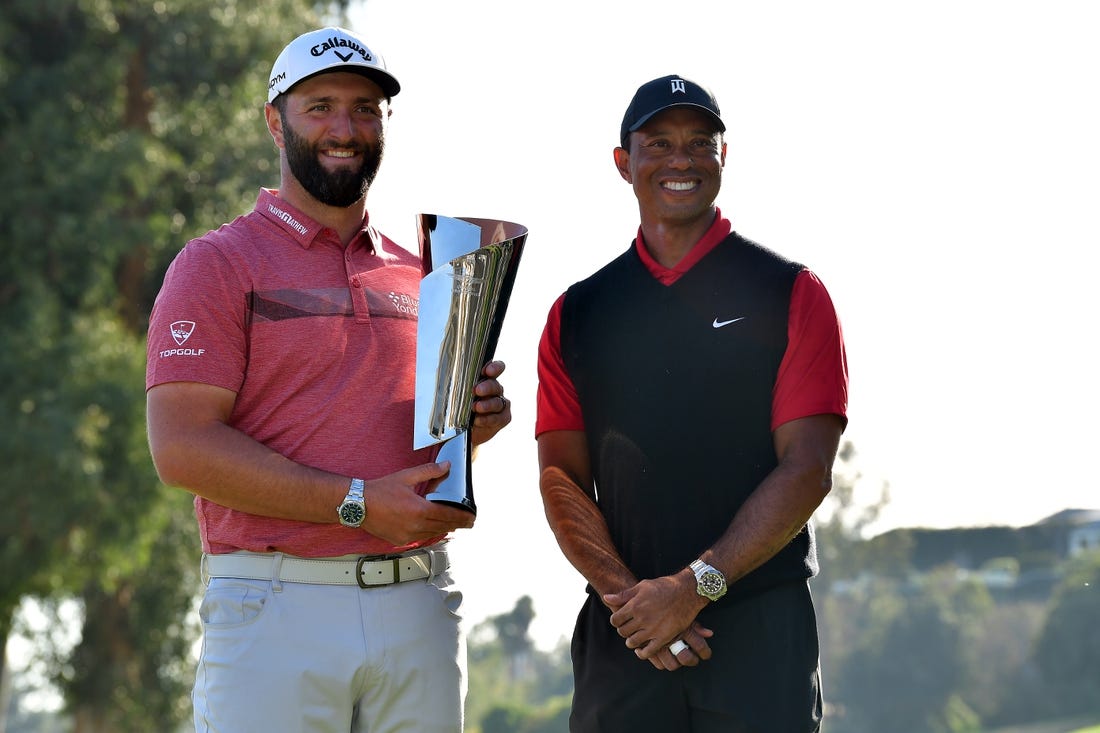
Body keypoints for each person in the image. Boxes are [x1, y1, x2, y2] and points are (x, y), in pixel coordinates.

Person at [145, 27, 511, 733]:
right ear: (273, 122)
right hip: (274, 604)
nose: (345, 128)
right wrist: (356, 503)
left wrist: (470, 426)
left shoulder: (424, 273)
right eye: (320, 106)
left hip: (419, 602)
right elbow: (182, 448)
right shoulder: (217, 263)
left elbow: (407, 450)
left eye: (366, 109)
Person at [535, 74, 848, 732]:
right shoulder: (577, 313)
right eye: (659, 143)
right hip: (626, 636)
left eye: (700, 142)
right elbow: (561, 475)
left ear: (723, 157)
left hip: (759, 631)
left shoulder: (790, 292)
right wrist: (635, 602)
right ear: (624, 163)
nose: (682, 159)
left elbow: (807, 468)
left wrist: (692, 587)